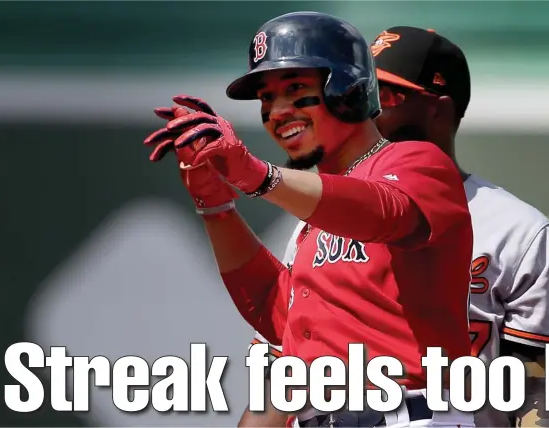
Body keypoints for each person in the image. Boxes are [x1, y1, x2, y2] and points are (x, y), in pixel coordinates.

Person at [241, 26, 549, 428]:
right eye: (357, 87)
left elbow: (540, 391)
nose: (363, 102)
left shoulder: (517, 231)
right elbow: (281, 376)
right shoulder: (315, 223)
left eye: (386, 94)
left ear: (440, 108)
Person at [144, 13, 475, 428]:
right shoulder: (313, 223)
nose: (277, 111)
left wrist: (254, 173)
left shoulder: (415, 161)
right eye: (266, 98)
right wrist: (215, 206)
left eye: (295, 89)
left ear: (346, 89)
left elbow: (388, 212)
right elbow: (276, 313)